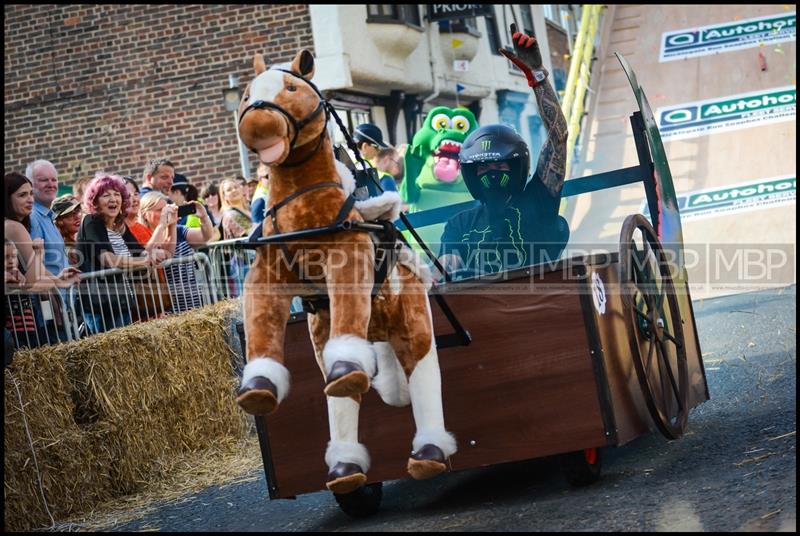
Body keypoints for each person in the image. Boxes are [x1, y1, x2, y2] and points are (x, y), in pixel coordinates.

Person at [439, 24, 570, 278]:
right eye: (484, 168)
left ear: (516, 167)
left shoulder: (539, 199)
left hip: (542, 304)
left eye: (499, 166)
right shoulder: (459, 224)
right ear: (472, 174)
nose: (492, 173)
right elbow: (447, 265)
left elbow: (558, 138)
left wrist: (537, 76)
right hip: (482, 313)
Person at [76, 173, 166, 334]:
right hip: (100, 303)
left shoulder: (120, 226)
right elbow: (108, 260)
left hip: (122, 300)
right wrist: (145, 262)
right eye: (106, 195)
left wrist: (163, 229)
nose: (113, 199)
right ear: (95, 201)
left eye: (117, 194)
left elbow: (141, 254)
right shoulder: (91, 221)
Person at [139, 191, 214, 313]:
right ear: (145, 214)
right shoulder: (143, 235)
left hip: (192, 296)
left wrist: (204, 217)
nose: (164, 213)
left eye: (165, 209)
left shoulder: (179, 230)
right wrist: (164, 225)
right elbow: (158, 254)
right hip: (168, 303)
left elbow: (206, 236)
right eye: (159, 210)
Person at [26, 159, 70, 278]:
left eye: (54, 180)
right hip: (50, 295)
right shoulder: (33, 217)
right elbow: (34, 266)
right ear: (30, 184)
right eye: (43, 180)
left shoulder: (48, 216)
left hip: (62, 293)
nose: (51, 184)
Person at [352, 122, 397, 195]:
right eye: (377, 147)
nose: (379, 150)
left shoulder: (345, 167)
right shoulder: (384, 178)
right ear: (365, 146)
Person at [51, 194, 83, 267]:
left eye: (78, 211)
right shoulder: (63, 249)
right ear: (59, 221)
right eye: (70, 214)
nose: (77, 217)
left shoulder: (81, 239)